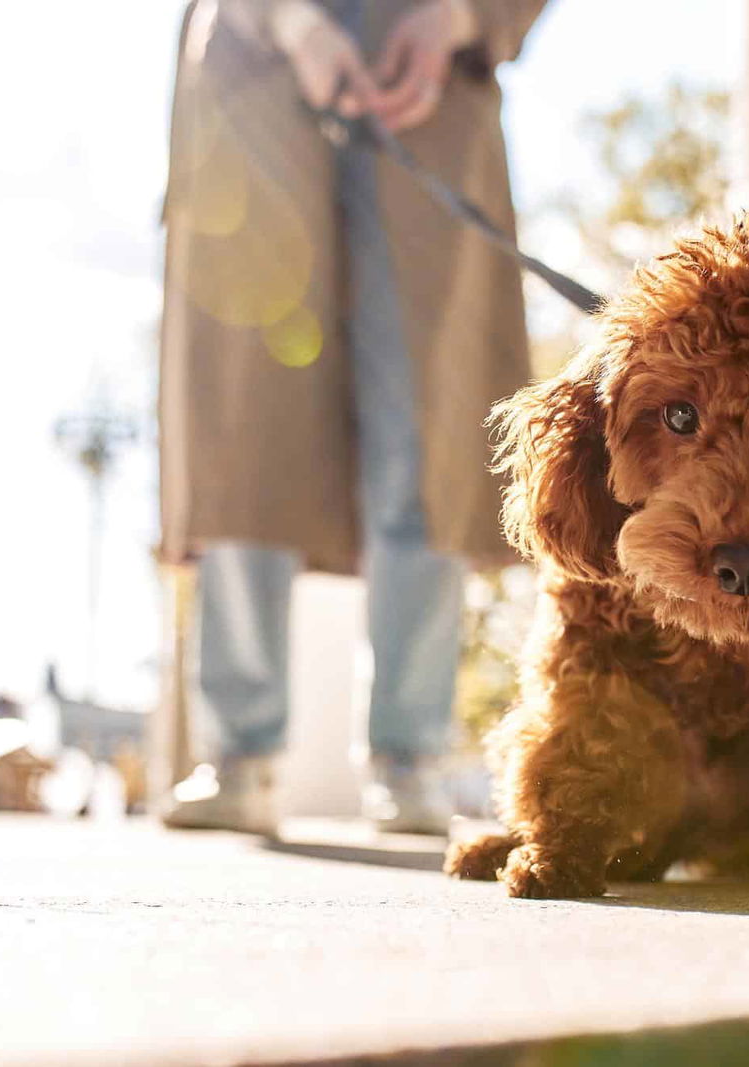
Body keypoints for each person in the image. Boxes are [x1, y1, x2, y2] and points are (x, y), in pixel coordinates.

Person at [157, 0, 545, 834]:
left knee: (428, 432)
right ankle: (238, 753)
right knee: (244, 424)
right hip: (251, 86)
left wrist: (457, 16)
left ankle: (410, 757)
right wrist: (292, 20)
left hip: (430, 101)